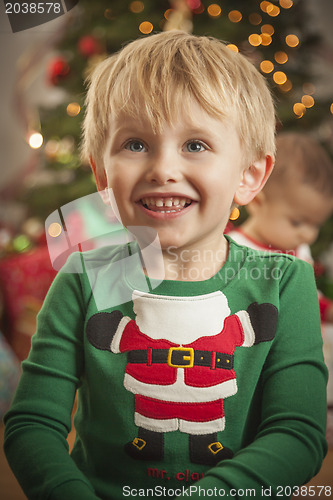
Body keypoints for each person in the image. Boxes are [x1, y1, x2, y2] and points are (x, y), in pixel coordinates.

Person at [4, 31, 328, 500]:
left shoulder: (285, 283)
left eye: (195, 145)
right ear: (101, 175)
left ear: (248, 176)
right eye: (135, 144)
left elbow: (297, 435)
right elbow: (33, 424)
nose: (162, 169)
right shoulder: (81, 282)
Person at [228, 132, 333, 323]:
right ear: (257, 203)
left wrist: (326, 310)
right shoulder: (233, 250)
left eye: (316, 224)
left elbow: (305, 298)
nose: (308, 235)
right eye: (297, 222)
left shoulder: (299, 248)